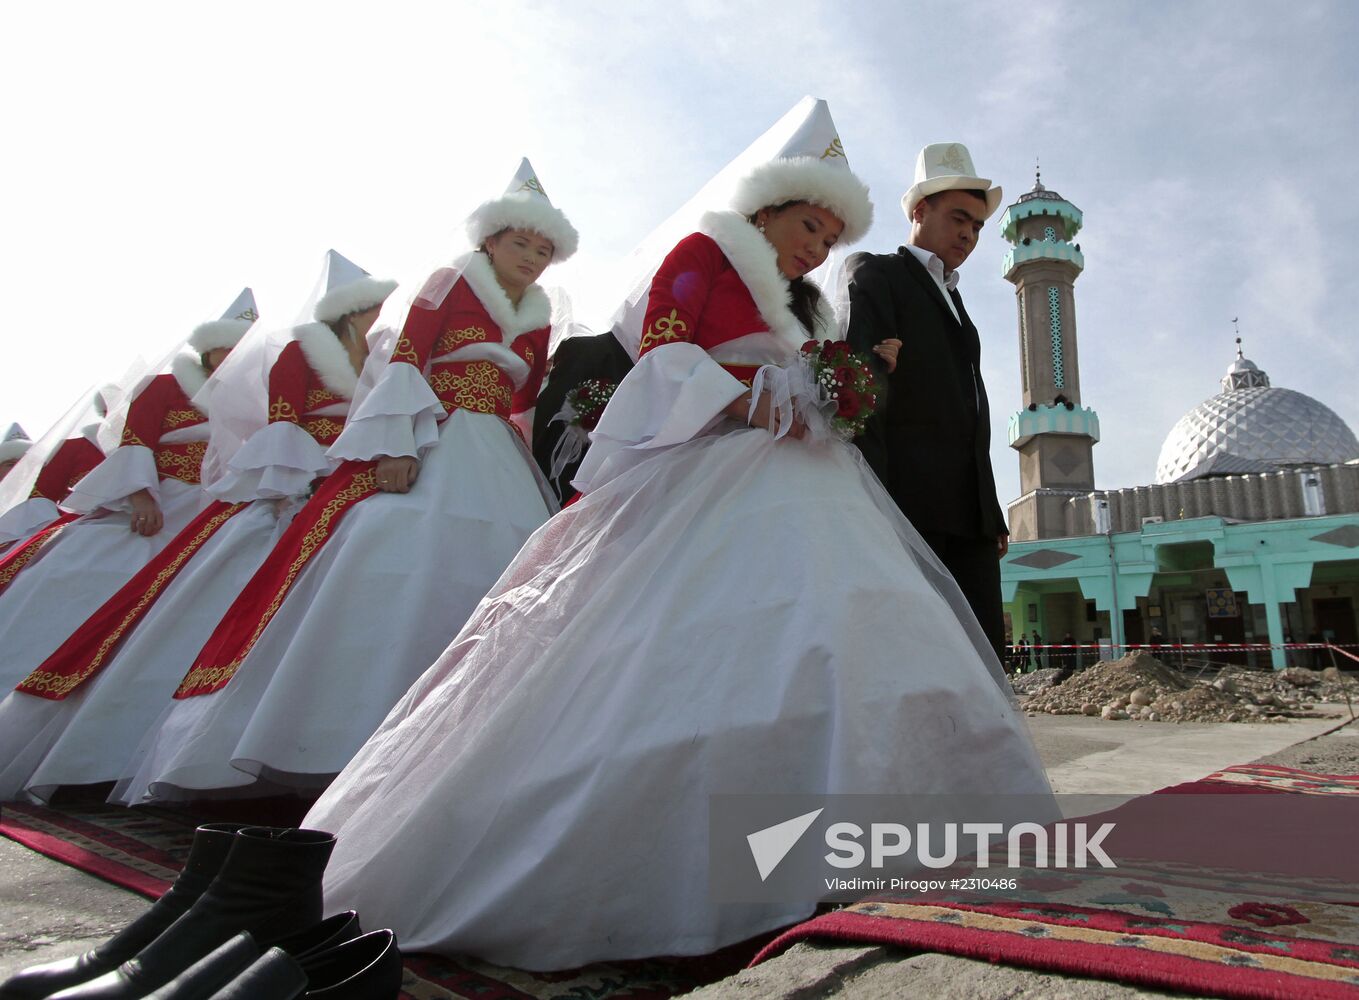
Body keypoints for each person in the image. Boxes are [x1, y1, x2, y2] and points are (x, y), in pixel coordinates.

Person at [303, 99, 1052, 971]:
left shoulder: (797, 301)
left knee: (844, 635)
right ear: (767, 208)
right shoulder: (702, 254)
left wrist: (819, 392)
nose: (816, 248)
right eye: (808, 225)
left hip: (792, 476)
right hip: (716, 469)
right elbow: (664, 357)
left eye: (827, 236)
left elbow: (790, 382)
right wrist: (760, 398)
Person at [116, 161, 572, 803]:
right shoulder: (447, 283)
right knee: (387, 552)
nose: (531, 257)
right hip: (434, 432)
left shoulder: (540, 314)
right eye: (520, 242)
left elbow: (523, 391)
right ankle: (325, 737)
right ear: (489, 240)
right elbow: (410, 356)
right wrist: (397, 442)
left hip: (495, 448)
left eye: (544, 250)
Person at [0, 253, 394, 802]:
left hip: (332, 486)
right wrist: (145, 493)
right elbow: (273, 426)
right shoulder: (276, 361)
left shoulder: (374, 361)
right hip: (275, 488)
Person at [0, 291, 256, 692]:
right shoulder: (163, 387)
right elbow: (135, 443)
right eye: (222, 349)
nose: (229, 357)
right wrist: (139, 496)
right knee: (81, 569)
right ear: (206, 351)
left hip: (209, 507)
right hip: (154, 499)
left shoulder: (249, 398)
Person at [844, 143, 1009, 660]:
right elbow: (862, 393)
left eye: (979, 226)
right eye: (960, 218)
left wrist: (991, 509)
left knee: (983, 658)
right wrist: (875, 498)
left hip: (970, 517)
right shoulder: (879, 275)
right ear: (920, 211)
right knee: (918, 658)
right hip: (911, 505)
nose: (969, 234)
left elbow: (972, 412)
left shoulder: (959, 304)